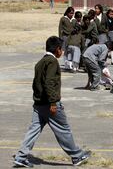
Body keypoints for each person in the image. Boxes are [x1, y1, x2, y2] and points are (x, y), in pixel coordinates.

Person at [13, 36, 90, 168]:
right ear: (57, 49)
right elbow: (49, 83)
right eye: (62, 49)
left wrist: (38, 99)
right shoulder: (52, 62)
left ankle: (21, 156)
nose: (63, 52)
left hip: (39, 104)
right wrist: (53, 102)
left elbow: (36, 84)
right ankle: (77, 156)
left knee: (33, 130)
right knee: (63, 129)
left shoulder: (40, 62)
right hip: (49, 104)